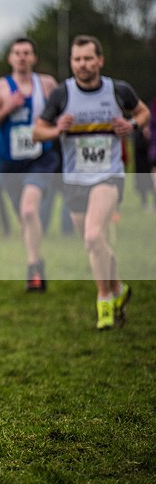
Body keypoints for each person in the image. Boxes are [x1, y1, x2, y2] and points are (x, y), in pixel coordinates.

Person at [33, 34, 151, 330]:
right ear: (71, 62)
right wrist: (56, 129)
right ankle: (119, 289)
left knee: (92, 235)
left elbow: (143, 112)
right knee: (94, 243)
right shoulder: (62, 94)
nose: (82, 64)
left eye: (88, 58)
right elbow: (37, 132)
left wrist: (132, 125)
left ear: (100, 60)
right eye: (77, 59)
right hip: (74, 179)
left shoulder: (118, 90)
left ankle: (104, 301)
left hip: (108, 175)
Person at [0, 37, 59, 292]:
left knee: (28, 210)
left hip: (41, 159)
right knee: (25, 219)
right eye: (17, 53)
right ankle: (38, 261)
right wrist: (8, 108)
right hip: (11, 163)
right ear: (10, 58)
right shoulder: (0, 87)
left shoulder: (46, 85)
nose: (22, 57)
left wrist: (50, 123)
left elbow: (65, 115)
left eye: (27, 52)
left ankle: (32, 267)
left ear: (34, 57)